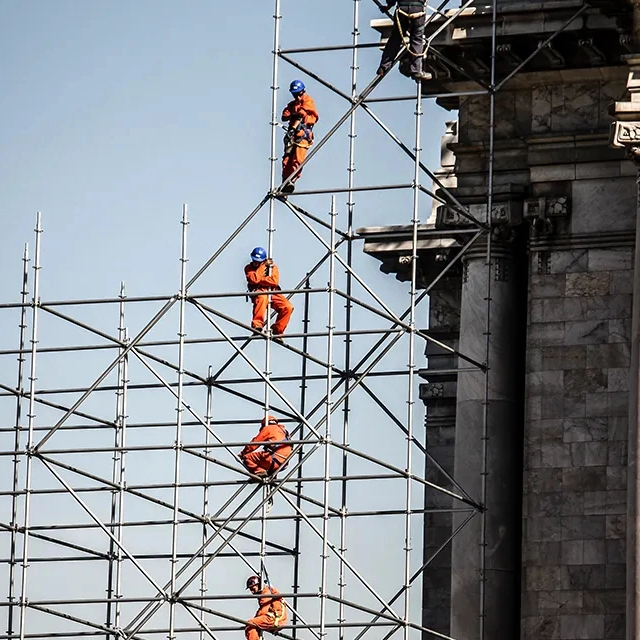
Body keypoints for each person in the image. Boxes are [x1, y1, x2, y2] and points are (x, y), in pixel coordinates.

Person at [376, 1, 432, 82]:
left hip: (402, 10)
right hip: (418, 11)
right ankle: (416, 70)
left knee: (395, 39)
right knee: (417, 40)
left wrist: (389, 6)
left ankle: (383, 67)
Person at [245, 247, 294, 338]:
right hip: (259, 291)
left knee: (288, 307)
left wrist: (260, 279)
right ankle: (257, 325)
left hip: (273, 291)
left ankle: (277, 330)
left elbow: (274, 281)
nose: (256, 263)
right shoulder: (249, 268)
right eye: (255, 261)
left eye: (259, 262)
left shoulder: (272, 267)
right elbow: (254, 279)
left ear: (263, 260)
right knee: (262, 298)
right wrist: (263, 268)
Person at [281, 79, 319, 194]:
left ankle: (292, 180)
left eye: (299, 94)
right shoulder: (293, 104)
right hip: (292, 136)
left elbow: (301, 115)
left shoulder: (308, 101)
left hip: (302, 135)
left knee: (298, 160)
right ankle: (284, 184)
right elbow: (284, 116)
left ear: (303, 91)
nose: (297, 97)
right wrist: (293, 115)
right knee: (286, 160)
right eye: (295, 95)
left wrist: (293, 127)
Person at [244, 575, 288, 640]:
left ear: (258, 585)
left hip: (274, 619)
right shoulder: (269, 591)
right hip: (279, 619)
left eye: (253, 589)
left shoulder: (266, 592)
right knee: (254, 625)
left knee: (250, 624)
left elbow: (263, 610)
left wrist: (254, 620)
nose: (252, 592)